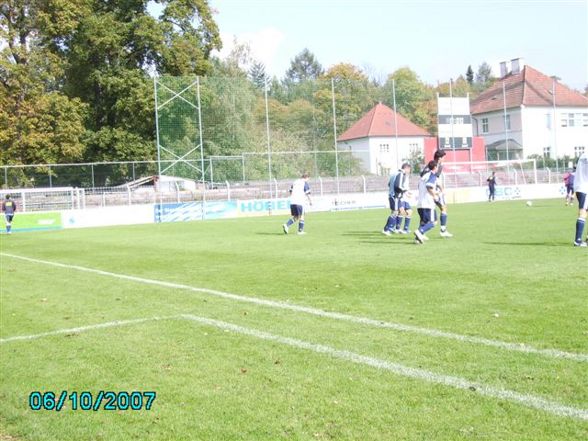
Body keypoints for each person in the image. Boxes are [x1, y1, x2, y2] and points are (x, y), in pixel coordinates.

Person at [421, 150, 452, 237]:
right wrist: (440, 190)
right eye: (443, 158)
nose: (444, 159)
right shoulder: (437, 166)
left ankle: (422, 232)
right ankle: (442, 230)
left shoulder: (429, 165)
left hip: (427, 192)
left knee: (428, 212)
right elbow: (435, 179)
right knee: (443, 208)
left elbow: (422, 175)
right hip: (432, 191)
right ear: (439, 158)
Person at [382, 163, 411, 235]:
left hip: (392, 195)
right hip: (395, 196)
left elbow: (389, 184)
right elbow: (398, 186)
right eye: (409, 170)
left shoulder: (394, 174)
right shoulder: (401, 174)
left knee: (396, 212)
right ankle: (386, 229)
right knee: (395, 212)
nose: (409, 171)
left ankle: (389, 228)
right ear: (406, 168)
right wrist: (405, 191)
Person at [414, 160, 439, 244]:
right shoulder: (432, 175)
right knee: (433, 222)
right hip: (428, 203)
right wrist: (435, 196)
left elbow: (421, 187)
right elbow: (429, 187)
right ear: (435, 167)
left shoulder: (423, 176)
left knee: (423, 222)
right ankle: (420, 231)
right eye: (437, 166)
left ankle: (417, 239)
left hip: (420, 203)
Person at [572, 154, 588, 247]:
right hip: (585, 188)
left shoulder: (583, 155)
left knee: (585, 211)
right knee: (582, 212)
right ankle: (577, 240)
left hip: (579, 186)